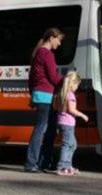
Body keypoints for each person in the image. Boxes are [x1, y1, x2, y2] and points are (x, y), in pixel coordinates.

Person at [24, 28, 64, 173]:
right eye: (58, 40)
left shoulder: (38, 53)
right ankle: (31, 163)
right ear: (52, 38)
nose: (59, 44)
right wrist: (68, 81)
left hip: (40, 95)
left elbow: (31, 79)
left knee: (50, 129)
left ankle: (44, 162)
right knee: (41, 130)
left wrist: (32, 95)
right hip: (45, 96)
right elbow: (54, 77)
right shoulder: (46, 54)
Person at [55, 71, 89, 176]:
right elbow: (72, 110)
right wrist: (83, 115)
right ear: (72, 84)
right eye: (77, 85)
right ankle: (61, 167)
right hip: (67, 124)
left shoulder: (63, 93)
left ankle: (68, 165)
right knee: (67, 144)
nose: (77, 87)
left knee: (73, 145)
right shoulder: (70, 95)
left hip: (64, 123)